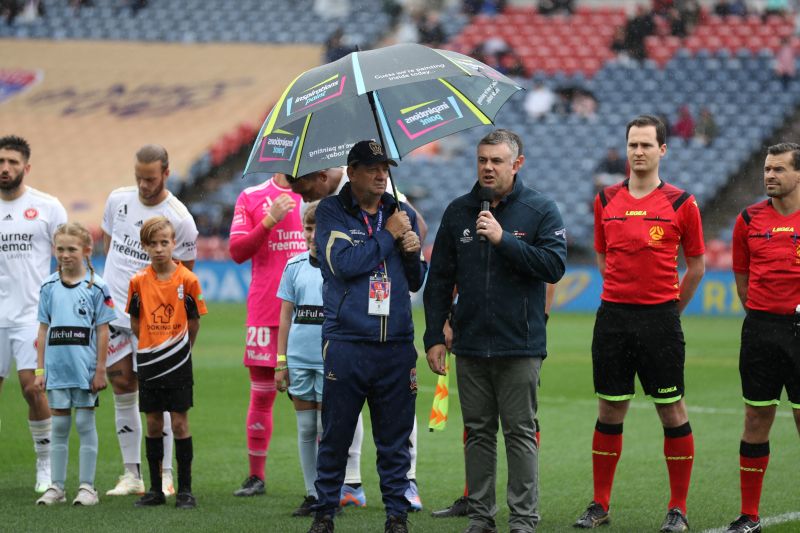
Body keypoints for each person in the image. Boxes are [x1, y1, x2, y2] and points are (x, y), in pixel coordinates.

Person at [424, 128, 567, 533]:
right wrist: (434, 336)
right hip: (469, 344)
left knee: (520, 433)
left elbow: (554, 266)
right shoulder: (457, 212)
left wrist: (504, 240)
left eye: (497, 161)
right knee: (478, 434)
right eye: (482, 160)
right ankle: (481, 516)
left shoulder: (540, 210)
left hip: (519, 344)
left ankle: (523, 519)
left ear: (516, 164)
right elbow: (438, 280)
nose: (488, 167)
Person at [572, 115, 705, 532]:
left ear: (663, 150)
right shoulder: (605, 199)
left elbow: (697, 267)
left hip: (660, 319)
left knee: (671, 409)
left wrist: (669, 311)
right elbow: (602, 256)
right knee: (610, 409)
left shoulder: (683, 203)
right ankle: (599, 504)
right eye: (633, 144)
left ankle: (678, 508)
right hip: (612, 317)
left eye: (647, 145)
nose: (639, 151)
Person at [288, 165, 426, 511]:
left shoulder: (400, 211)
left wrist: (411, 251)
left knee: (394, 442)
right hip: (348, 341)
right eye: (372, 170)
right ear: (353, 173)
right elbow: (344, 264)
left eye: (385, 170)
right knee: (335, 436)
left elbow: (414, 281)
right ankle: (325, 513)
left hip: (395, 341)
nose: (381, 176)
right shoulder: (332, 210)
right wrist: (388, 235)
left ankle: (397, 516)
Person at [102, 144, 198, 497]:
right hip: (114, 313)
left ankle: (166, 474)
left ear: (167, 173)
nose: (144, 185)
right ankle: (131, 474)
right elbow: (112, 246)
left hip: (158, 323)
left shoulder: (181, 218)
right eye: (139, 178)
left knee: (162, 398)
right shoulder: (117, 200)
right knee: (123, 388)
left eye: (151, 179)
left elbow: (185, 276)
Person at [725, 142, 800, 533]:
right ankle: (749, 515)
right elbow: (742, 278)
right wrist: (762, 313)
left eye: (779, 169)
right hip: (761, 330)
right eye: (767, 169)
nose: (769, 175)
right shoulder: (748, 219)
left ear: (798, 174)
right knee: (756, 418)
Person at [229, 172, 306, 496]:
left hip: (308, 311)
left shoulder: (318, 195)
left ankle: (323, 483)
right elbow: (237, 251)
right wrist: (269, 220)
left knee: (313, 400)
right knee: (261, 395)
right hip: (265, 310)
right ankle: (256, 476)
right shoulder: (252, 197)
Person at [0, 135, 67, 493]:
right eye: (0, 162)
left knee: (32, 388)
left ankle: (45, 464)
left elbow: (68, 257)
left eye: (12, 162)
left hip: (31, 314)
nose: (5, 168)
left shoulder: (47, 207)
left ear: (26, 167)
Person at [126, 216, 208, 509]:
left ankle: (184, 490)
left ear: (174, 243)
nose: (159, 248)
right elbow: (136, 321)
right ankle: (155, 490)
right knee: (152, 422)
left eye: (165, 242)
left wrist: (181, 349)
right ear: (145, 246)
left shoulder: (187, 279)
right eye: (153, 243)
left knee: (180, 422)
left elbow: (194, 321)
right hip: (149, 361)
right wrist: (151, 344)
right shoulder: (137, 282)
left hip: (178, 361)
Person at [33, 222, 116, 506]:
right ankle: (56, 487)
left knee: (83, 422)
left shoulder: (98, 286)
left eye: (71, 249)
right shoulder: (48, 286)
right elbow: (43, 330)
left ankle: (87, 487)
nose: (65, 254)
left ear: (87, 251)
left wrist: (101, 369)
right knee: (58, 427)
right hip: (56, 369)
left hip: (85, 369)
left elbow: (104, 330)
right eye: (60, 249)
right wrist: (40, 370)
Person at [275, 201, 325, 516]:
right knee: (306, 428)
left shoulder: (341, 267)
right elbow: (285, 319)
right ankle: (312, 493)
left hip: (330, 362)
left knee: (327, 429)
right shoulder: (294, 266)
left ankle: (329, 492)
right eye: (308, 227)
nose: (312, 234)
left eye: (319, 228)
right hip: (299, 360)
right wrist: (281, 361)